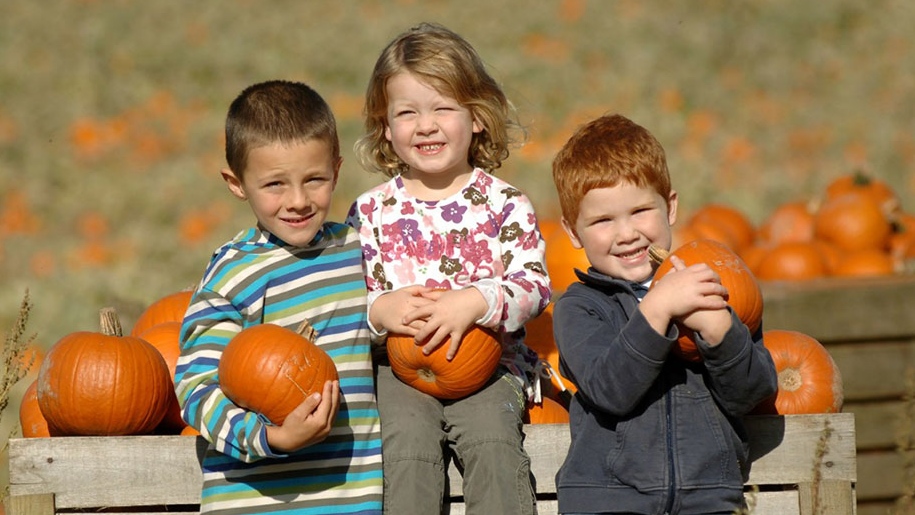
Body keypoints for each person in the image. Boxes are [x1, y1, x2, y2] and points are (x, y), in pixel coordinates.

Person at [345, 22, 551, 515]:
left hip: (489, 366)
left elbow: (534, 286)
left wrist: (478, 301)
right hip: (398, 371)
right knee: (406, 449)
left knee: (494, 445)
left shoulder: (504, 204)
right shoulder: (370, 212)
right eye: (407, 112)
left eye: (443, 108)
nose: (426, 125)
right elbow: (347, 298)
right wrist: (380, 311)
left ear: (477, 117)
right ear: (385, 127)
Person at [549, 114, 778, 515]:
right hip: (608, 502)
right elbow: (609, 390)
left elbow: (753, 394)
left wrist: (722, 333)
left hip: (708, 500)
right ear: (572, 232)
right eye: (603, 220)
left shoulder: (710, 289)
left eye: (640, 211)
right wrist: (656, 310)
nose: (627, 234)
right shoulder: (581, 306)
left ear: (670, 207)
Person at [174, 80, 383, 515]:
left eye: (315, 179)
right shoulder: (233, 274)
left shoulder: (356, 251)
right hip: (254, 503)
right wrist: (271, 438)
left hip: (351, 501)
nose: (299, 201)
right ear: (236, 183)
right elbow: (197, 388)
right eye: (275, 185)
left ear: (337, 170)